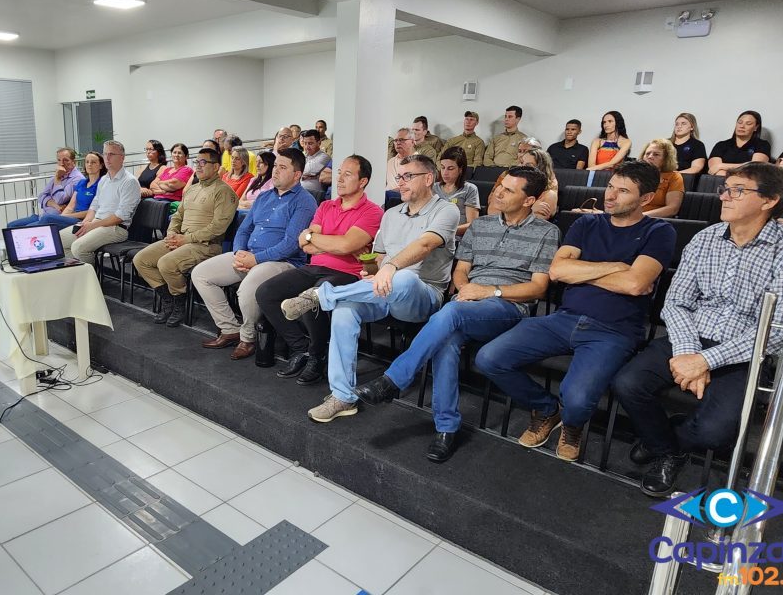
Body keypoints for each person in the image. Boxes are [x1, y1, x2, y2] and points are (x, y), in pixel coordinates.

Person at [612, 163, 783, 497]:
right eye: (725, 188)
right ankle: (669, 451)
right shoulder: (705, 239)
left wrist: (705, 361)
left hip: (745, 350)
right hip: (689, 335)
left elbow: (777, 330)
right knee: (627, 384)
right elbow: (676, 303)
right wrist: (689, 352)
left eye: (738, 190)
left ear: (769, 200)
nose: (725, 196)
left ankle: (667, 437)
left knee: (714, 434)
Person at [353, 166, 560, 461]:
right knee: (447, 340)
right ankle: (447, 427)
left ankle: (393, 380)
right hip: (468, 303)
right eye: (500, 185)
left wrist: (489, 292)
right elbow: (461, 272)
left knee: (450, 315)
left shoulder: (547, 232)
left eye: (509, 190)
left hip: (508, 307)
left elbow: (538, 288)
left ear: (529, 200)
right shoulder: (481, 225)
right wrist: (465, 288)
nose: (498, 192)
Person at [475, 161, 675, 461]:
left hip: (613, 330)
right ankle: (546, 410)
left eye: (623, 191)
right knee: (490, 358)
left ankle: (572, 424)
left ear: (645, 199)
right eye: (610, 187)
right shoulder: (586, 223)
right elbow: (557, 270)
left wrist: (585, 272)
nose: (610, 196)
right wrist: (618, 268)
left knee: (578, 399)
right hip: (563, 318)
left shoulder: (659, 231)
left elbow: (635, 284)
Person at [280, 154, 459, 423]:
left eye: (408, 176)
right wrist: (371, 268)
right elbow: (377, 260)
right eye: (399, 177)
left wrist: (390, 268)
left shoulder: (446, 210)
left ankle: (321, 295)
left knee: (404, 278)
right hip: (381, 288)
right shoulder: (391, 214)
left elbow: (424, 245)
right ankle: (342, 397)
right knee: (343, 311)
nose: (401, 182)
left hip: (422, 293)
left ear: (429, 179)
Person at [256, 155, 383, 385]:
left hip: (349, 275)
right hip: (314, 267)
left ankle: (317, 356)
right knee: (266, 292)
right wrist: (330, 242)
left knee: (312, 296)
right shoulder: (326, 205)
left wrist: (315, 237)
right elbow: (304, 243)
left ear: (363, 181)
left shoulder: (372, 212)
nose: (340, 178)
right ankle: (301, 348)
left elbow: (342, 244)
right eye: (339, 172)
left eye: (347, 174)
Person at [191, 148, 317, 359]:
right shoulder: (264, 196)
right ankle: (229, 327)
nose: (275, 171)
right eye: (275, 166)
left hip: (282, 262)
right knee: (201, 274)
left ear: (297, 175)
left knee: (248, 288)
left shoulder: (304, 201)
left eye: (282, 167)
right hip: (249, 255)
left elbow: (291, 244)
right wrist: (240, 253)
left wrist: (255, 259)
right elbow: (244, 229)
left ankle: (247, 338)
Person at [134, 147, 238, 328]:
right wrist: (172, 233)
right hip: (181, 240)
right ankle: (168, 299)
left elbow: (218, 227)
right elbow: (177, 216)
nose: (198, 166)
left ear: (216, 167)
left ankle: (179, 300)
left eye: (203, 162)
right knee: (141, 259)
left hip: (207, 245)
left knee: (166, 263)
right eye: (197, 162)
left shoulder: (224, 192)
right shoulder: (191, 190)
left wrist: (186, 239)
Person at [59, 140, 140, 266]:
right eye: (105, 154)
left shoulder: (129, 182)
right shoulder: (104, 179)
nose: (107, 158)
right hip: (97, 223)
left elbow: (121, 216)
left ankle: (92, 280)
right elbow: (95, 205)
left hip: (116, 228)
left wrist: (92, 225)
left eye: (112, 154)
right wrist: (87, 221)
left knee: (78, 248)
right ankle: (78, 274)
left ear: (122, 158)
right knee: (58, 241)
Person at [10, 151, 107, 229]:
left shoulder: (97, 183)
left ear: (101, 165)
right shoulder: (82, 183)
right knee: (12, 226)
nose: (89, 165)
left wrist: (65, 216)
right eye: (87, 162)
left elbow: (93, 211)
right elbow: (69, 206)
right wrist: (61, 213)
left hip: (80, 219)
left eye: (93, 162)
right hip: (56, 215)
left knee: (40, 222)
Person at [488, 147, 558, 220]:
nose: (521, 167)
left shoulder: (549, 195)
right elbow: (492, 212)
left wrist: (511, 210)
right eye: (521, 162)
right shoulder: (504, 185)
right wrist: (531, 210)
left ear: (541, 169)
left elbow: (537, 223)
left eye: (528, 165)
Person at [433, 146, 480, 238]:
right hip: (432, 236)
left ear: (460, 169)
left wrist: (445, 232)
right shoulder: (434, 188)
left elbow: (472, 224)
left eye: (450, 168)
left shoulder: (470, 189)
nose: (445, 173)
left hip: (456, 238)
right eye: (442, 168)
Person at [709, 111, 771, 176]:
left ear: (756, 127)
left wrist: (721, 165)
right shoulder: (721, 145)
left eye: (748, 123)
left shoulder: (762, 145)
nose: (742, 126)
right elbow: (714, 169)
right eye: (740, 122)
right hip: (721, 181)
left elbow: (755, 168)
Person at [640, 139, 685, 218]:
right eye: (647, 154)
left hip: (654, 220)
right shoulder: (634, 174)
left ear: (666, 159)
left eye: (656, 154)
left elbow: (672, 209)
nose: (650, 157)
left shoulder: (674, 177)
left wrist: (641, 217)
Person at [387, 128, 437, 197]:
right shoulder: (390, 162)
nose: (398, 143)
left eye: (402, 140)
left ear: (413, 142)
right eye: (395, 140)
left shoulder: (420, 163)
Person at [299, 129, 332, 201]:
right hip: (301, 191)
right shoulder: (303, 155)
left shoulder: (324, 157)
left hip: (315, 194)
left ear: (319, 143)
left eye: (310, 143)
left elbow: (306, 170)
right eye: (305, 143)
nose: (307, 147)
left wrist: (298, 173)